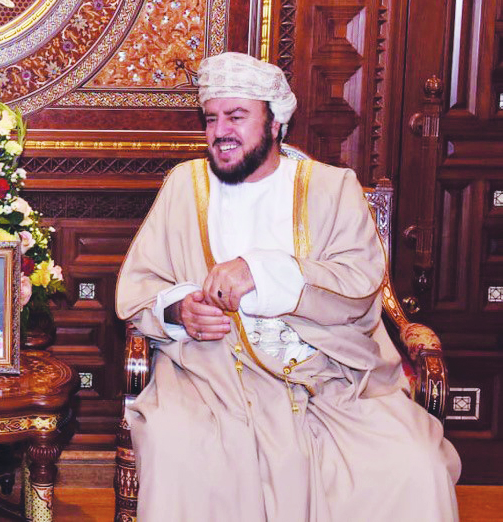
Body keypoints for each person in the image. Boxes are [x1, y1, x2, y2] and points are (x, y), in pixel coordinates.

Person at [115, 52, 460, 520]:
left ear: (275, 122)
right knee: (179, 451)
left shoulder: (333, 188)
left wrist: (261, 270)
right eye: (211, 118)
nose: (220, 131)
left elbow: (360, 287)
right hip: (211, 375)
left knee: (415, 466)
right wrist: (178, 312)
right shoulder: (184, 186)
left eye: (237, 116)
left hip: (330, 377)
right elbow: (139, 286)